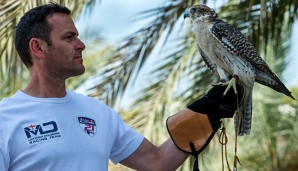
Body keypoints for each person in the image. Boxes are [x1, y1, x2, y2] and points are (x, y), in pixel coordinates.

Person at [0, 3, 242, 171]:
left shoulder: (97, 112)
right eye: (69, 37)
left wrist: (207, 113)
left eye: (78, 36)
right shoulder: (5, 119)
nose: (81, 44)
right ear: (38, 48)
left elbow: (156, 162)